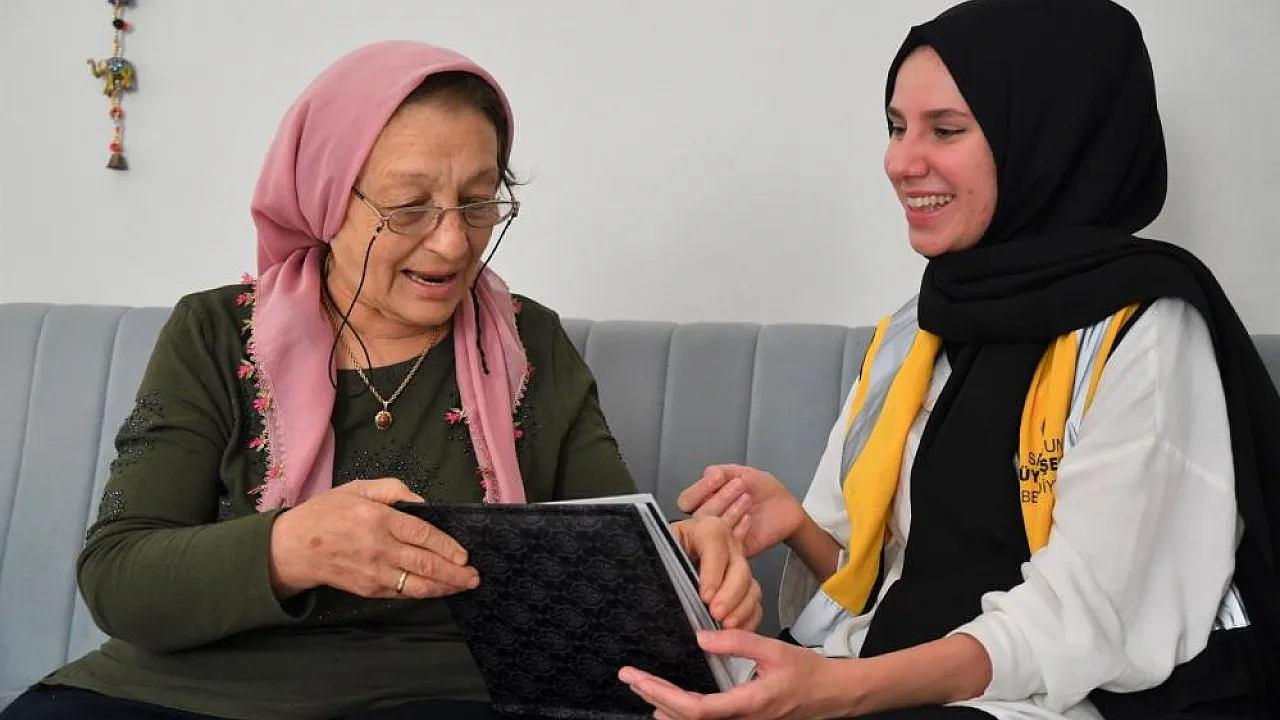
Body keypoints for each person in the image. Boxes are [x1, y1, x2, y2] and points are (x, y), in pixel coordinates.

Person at [1, 41, 761, 720]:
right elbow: (119, 577)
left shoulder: (531, 343)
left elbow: (613, 554)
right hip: (184, 692)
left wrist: (685, 563)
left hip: (441, 694)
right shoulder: (213, 332)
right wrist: (291, 547)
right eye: (408, 208)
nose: (454, 242)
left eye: (478, 201)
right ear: (326, 198)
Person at [620, 0, 1280, 718]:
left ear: (1046, 140)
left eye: (946, 130)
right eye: (896, 127)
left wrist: (837, 693)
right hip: (910, 682)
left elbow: (1081, 626)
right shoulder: (919, 328)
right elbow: (903, 595)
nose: (900, 162)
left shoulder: (1145, 330)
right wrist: (798, 527)